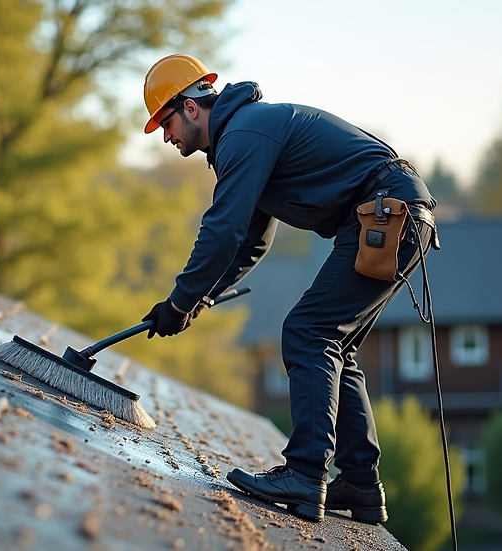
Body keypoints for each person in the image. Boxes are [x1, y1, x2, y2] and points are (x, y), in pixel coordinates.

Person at [139, 54, 438, 524]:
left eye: (165, 122)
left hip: (386, 215)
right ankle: (360, 485)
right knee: (334, 344)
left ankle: (303, 475)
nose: (166, 136)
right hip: (390, 215)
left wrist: (179, 299)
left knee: (308, 330)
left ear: (191, 107)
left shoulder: (244, 134)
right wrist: (190, 302)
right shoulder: (243, 138)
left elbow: (222, 231)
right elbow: (249, 246)